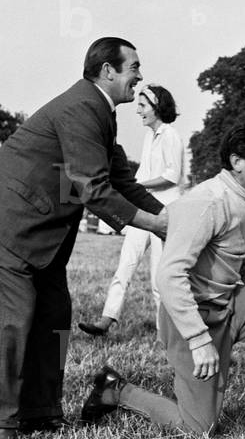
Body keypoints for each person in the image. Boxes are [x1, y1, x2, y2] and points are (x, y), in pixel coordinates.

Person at [0, 37, 168, 439]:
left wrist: (170, 217)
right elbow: (94, 189)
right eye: (134, 67)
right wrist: (155, 226)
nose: (140, 77)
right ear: (108, 71)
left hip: (38, 236)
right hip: (2, 223)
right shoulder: (81, 108)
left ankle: (40, 412)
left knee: (54, 316)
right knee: (9, 318)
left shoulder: (99, 113)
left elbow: (122, 182)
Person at [80, 123, 245, 435]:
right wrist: (199, 339)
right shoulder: (207, 202)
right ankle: (115, 389)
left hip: (227, 307)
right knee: (198, 428)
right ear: (237, 162)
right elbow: (169, 276)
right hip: (191, 319)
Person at [78, 83, 187, 336]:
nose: (138, 111)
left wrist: (135, 186)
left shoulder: (171, 135)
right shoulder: (149, 136)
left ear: (157, 107)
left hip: (166, 213)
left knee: (159, 278)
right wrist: (130, 189)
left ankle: (165, 334)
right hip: (145, 209)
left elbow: (172, 176)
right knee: (125, 264)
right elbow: (141, 174)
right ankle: (106, 320)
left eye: (143, 106)